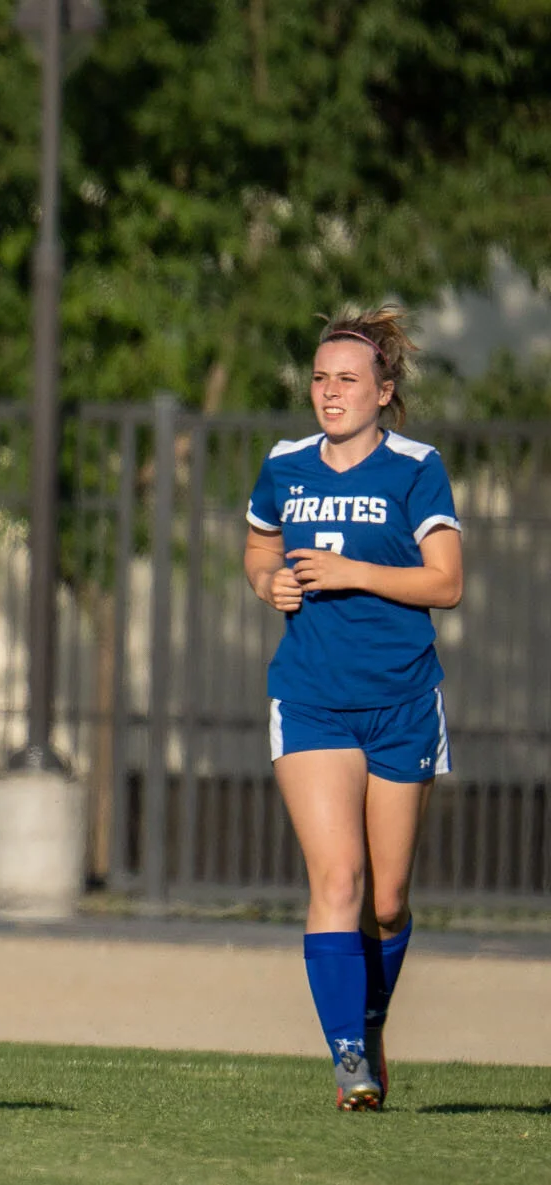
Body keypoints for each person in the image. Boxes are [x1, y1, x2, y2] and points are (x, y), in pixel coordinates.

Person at [243, 307, 462, 1111]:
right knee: (338, 876)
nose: (329, 392)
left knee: (389, 899)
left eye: (347, 379)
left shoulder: (416, 468)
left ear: (384, 392)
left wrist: (352, 573)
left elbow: (446, 582)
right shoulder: (286, 464)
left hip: (402, 701)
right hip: (312, 700)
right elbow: (259, 546)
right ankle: (349, 1062)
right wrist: (269, 582)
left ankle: (369, 1022)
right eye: (319, 378)